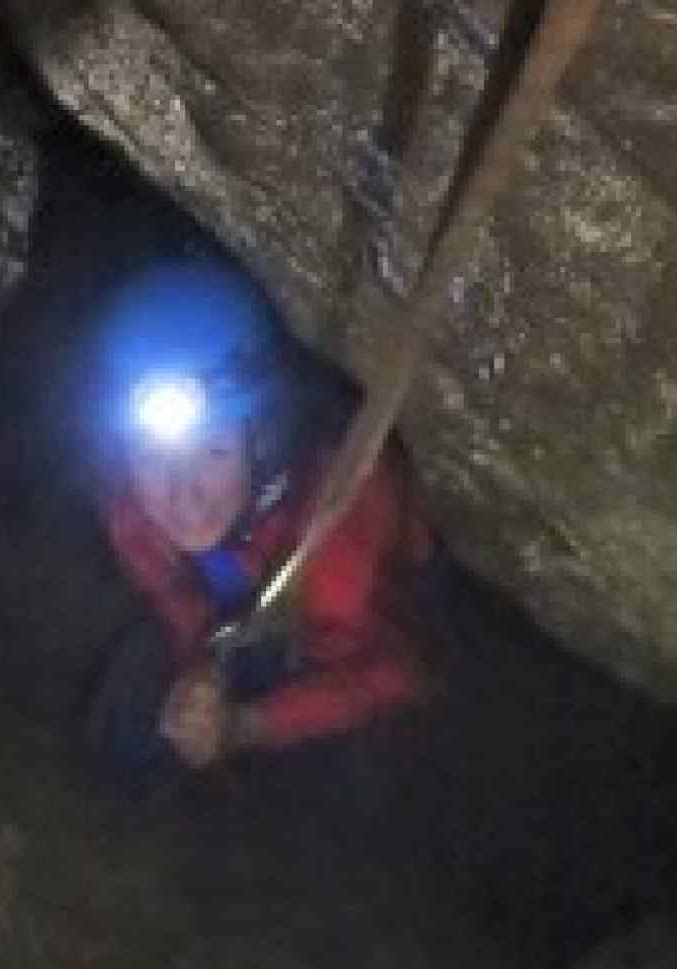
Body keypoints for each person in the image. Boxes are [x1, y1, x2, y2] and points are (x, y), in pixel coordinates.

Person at [86, 259, 435, 790]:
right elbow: (173, 601)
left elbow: (395, 675)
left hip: (357, 634)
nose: (182, 493)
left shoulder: (335, 525)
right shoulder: (133, 508)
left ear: (264, 444)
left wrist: (247, 726)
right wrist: (198, 669)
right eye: (152, 456)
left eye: (214, 452)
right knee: (131, 731)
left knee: (359, 776)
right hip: (243, 613)